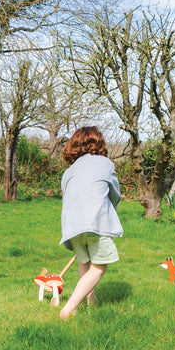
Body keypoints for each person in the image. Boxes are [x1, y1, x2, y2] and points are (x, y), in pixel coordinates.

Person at [58, 126, 123, 319]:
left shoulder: (69, 171)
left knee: (84, 261)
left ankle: (89, 300)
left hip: (72, 226)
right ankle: (68, 309)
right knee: (99, 267)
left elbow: (68, 197)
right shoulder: (105, 164)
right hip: (95, 222)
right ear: (99, 144)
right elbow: (114, 194)